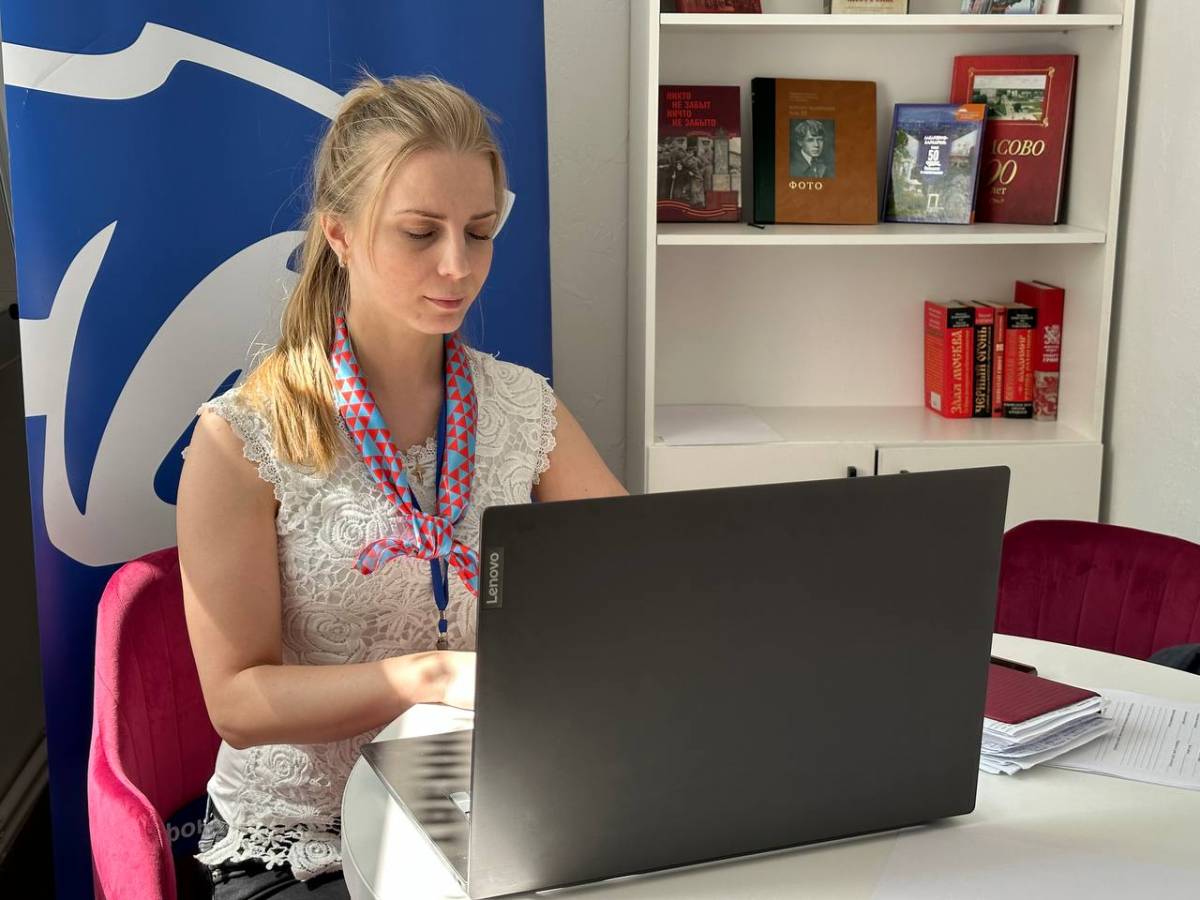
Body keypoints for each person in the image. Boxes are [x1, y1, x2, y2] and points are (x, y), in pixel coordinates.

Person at [177, 73, 626, 898]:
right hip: (306, 837)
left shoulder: (521, 406)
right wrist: (433, 676)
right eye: (420, 232)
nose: (457, 266)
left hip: (491, 803)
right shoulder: (242, 438)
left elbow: (646, 575)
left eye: (480, 232)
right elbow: (237, 701)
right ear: (339, 235)